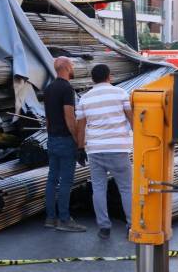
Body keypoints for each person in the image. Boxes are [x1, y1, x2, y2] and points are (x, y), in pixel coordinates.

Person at [76, 64, 133, 240]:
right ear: (109, 76)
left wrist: (80, 147)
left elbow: (81, 125)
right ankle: (131, 224)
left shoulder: (85, 98)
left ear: (93, 79)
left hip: (95, 149)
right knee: (126, 188)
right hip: (118, 148)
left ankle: (104, 227)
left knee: (98, 189)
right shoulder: (121, 93)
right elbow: (132, 119)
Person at [43, 57, 86, 232]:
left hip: (52, 139)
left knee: (52, 179)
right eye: (73, 65)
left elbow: (47, 118)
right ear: (67, 67)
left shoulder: (49, 89)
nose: (73, 67)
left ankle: (50, 218)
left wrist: (51, 135)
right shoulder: (67, 89)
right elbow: (70, 118)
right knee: (66, 182)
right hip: (65, 140)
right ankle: (64, 220)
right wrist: (79, 144)